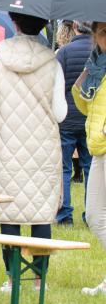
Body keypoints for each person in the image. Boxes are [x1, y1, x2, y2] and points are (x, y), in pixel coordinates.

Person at [0, 12, 67, 293]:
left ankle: (12, 279)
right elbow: (60, 114)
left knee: (8, 212)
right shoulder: (52, 61)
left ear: (13, 22)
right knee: (40, 213)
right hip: (43, 150)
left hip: (5, 148)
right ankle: (39, 280)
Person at [72, 22, 106, 295]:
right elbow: (84, 105)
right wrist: (84, 78)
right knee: (94, 216)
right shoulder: (96, 65)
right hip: (98, 146)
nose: (103, 37)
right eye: (101, 32)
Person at [55, 20, 93, 225]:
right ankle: (91, 215)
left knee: (64, 169)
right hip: (90, 118)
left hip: (67, 119)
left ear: (75, 26)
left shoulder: (64, 53)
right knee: (91, 169)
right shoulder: (99, 52)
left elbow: (56, 86)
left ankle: (64, 215)